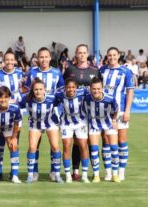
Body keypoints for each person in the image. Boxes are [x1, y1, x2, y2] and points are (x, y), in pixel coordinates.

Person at [24, 47, 65, 181]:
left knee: (54, 146)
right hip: (35, 117)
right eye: (41, 57)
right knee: (33, 146)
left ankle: (54, 172)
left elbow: (61, 93)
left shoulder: (56, 72)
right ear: (38, 58)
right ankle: (33, 172)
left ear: (50, 58)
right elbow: (26, 92)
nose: (44, 59)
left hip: (50, 117)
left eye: (46, 57)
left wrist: (58, 110)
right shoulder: (32, 72)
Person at [63, 44, 101, 181]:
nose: (82, 55)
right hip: (75, 115)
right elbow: (64, 88)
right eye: (79, 52)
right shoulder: (70, 69)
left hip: (92, 113)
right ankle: (75, 170)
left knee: (90, 143)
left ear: (87, 54)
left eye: (84, 52)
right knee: (75, 143)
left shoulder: (95, 70)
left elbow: (99, 89)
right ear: (76, 54)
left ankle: (94, 172)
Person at [100, 47, 134, 181]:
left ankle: (121, 171)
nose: (112, 57)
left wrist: (127, 111)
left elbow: (130, 92)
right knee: (106, 141)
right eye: (109, 55)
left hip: (120, 112)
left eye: (114, 55)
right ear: (107, 56)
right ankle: (108, 172)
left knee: (121, 141)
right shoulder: (102, 70)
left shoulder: (126, 71)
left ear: (118, 55)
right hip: (105, 112)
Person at [20, 78, 64, 183]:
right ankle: (31, 174)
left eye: (40, 89)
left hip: (50, 123)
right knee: (32, 147)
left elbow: (65, 100)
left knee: (55, 146)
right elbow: (16, 104)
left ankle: (56, 174)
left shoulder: (52, 98)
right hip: (35, 125)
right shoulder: (26, 99)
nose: (38, 91)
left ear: (45, 90)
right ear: (32, 90)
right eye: (36, 90)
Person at [0, 51, 23, 180]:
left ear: (14, 60)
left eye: (11, 60)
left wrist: (19, 100)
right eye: (7, 60)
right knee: (0, 144)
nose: (9, 62)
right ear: (3, 61)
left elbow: (25, 91)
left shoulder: (20, 73)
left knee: (14, 143)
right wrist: (5, 101)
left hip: (15, 115)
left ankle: (13, 173)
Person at [83, 77, 120, 183]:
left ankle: (114, 174)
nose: (96, 91)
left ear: (102, 88)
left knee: (114, 148)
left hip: (108, 124)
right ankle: (96, 175)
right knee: (94, 149)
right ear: (90, 89)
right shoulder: (87, 98)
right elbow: (84, 110)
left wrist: (114, 120)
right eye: (94, 89)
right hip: (94, 125)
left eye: (98, 88)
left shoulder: (109, 98)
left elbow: (116, 110)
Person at [55, 78, 90, 183]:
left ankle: (84, 175)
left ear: (76, 88)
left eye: (73, 87)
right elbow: (51, 101)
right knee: (66, 146)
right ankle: (67, 175)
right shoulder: (60, 95)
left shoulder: (83, 92)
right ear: (65, 88)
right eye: (68, 87)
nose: (70, 89)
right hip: (66, 123)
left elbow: (94, 92)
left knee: (83, 146)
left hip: (81, 123)